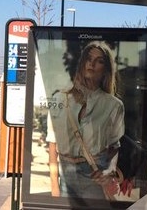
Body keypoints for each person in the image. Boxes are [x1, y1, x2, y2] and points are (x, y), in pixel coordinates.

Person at [46, 41, 125, 199]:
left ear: (106, 70)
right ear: (82, 63)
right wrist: (54, 186)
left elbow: (114, 145)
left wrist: (109, 172)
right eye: (89, 59)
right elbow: (53, 145)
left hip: (95, 174)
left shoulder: (113, 105)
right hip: (66, 172)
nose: (92, 64)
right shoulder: (60, 98)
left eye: (99, 61)